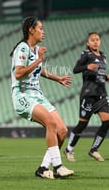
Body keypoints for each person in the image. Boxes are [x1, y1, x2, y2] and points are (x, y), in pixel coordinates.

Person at [10, 16, 74, 179]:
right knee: (50, 123)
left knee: (62, 130)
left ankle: (43, 168)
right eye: (40, 28)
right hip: (23, 94)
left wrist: (57, 78)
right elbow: (18, 73)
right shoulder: (23, 48)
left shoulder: (34, 48)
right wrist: (38, 59)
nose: (43, 31)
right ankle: (58, 166)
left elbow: (40, 70)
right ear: (31, 30)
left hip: (37, 95)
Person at [63, 32, 109, 162]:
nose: (95, 42)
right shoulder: (86, 55)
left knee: (107, 123)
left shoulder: (103, 56)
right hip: (88, 95)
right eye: (92, 40)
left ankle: (94, 149)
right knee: (82, 125)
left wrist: (106, 77)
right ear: (88, 43)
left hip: (101, 95)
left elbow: (98, 75)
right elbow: (75, 69)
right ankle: (69, 149)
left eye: (97, 39)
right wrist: (87, 66)